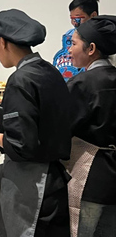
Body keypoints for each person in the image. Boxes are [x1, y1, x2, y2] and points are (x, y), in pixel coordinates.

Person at [0, 9, 72, 237]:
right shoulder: (48, 70)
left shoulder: (19, 79)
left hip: (32, 186)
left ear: (2, 42)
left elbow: (20, 146)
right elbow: (39, 112)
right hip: (55, 183)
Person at [64, 16, 116, 237]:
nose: (69, 51)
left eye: (74, 44)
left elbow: (61, 128)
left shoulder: (82, 84)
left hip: (90, 178)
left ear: (91, 48)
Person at [53, 0, 99, 81]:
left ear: (93, 15)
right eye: (72, 19)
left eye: (78, 18)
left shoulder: (102, 35)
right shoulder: (69, 35)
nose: (75, 23)